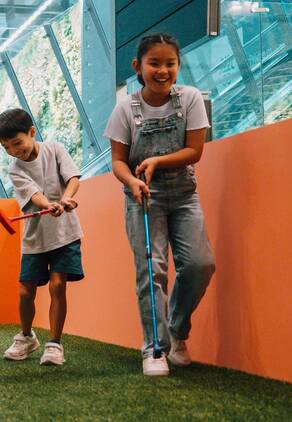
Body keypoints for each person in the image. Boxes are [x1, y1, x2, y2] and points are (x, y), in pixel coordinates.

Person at [104, 33, 216, 376]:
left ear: (178, 66)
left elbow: (194, 151)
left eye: (170, 63)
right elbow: (118, 161)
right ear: (138, 67)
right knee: (152, 271)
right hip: (143, 199)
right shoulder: (125, 107)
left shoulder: (191, 99)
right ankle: (154, 348)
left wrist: (156, 162)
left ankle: (177, 331)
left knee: (200, 264)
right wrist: (133, 180)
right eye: (154, 63)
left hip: (184, 196)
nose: (163, 70)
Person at [0, 108, 84, 366]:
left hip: (65, 234)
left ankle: (55, 344)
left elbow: (73, 177)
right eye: (7, 147)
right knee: (25, 292)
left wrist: (66, 198)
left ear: (32, 132)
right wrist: (49, 204)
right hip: (35, 238)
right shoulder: (15, 168)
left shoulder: (54, 149)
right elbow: (33, 195)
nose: (14, 150)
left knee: (58, 285)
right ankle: (26, 337)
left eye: (17, 143)